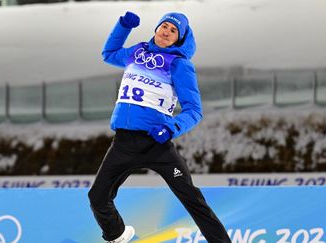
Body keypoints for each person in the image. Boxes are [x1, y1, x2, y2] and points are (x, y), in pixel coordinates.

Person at [88, 11, 231, 243]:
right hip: (123, 143)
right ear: (156, 29)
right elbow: (109, 54)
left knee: (192, 200)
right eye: (164, 26)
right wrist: (123, 27)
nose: (167, 31)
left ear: (179, 39)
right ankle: (118, 235)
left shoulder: (180, 65)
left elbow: (194, 110)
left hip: (157, 143)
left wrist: (171, 128)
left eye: (173, 30)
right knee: (97, 197)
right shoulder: (137, 52)